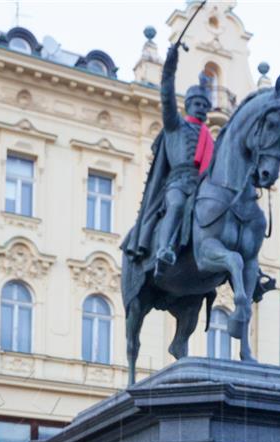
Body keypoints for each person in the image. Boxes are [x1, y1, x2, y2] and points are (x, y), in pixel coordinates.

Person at [123, 43, 213, 274]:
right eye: (198, 104)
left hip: (201, 185)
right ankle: (164, 250)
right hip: (177, 183)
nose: (202, 109)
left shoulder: (208, 137)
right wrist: (171, 63)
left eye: (205, 105)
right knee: (177, 206)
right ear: (189, 105)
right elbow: (166, 92)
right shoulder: (176, 125)